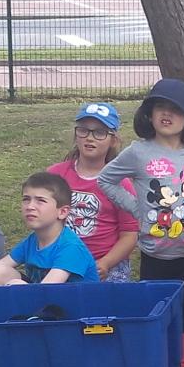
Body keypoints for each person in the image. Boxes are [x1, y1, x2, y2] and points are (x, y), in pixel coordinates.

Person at [96, 79, 184, 330]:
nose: (167, 114)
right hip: (154, 254)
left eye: (176, 109)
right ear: (149, 114)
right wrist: (136, 208)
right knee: (157, 320)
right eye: (160, 107)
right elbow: (106, 179)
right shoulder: (138, 152)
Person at [48, 101, 137, 283]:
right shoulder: (55, 175)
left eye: (99, 132)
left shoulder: (120, 183)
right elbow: (43, 220)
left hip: (104, 263)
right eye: (83, 130)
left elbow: (129, 234)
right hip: (60, 261)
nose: (90, 138)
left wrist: (106, 263)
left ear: (113, 140)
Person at [0, 172, 97, 285]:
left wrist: (18, 288)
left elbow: (47, 289)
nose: (30, 206)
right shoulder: (32, 241)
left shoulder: (71, 247)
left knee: (14, 284)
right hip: (42, 295)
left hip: (72, 300)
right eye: (26, 199)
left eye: (41, 201)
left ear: (62, 212)